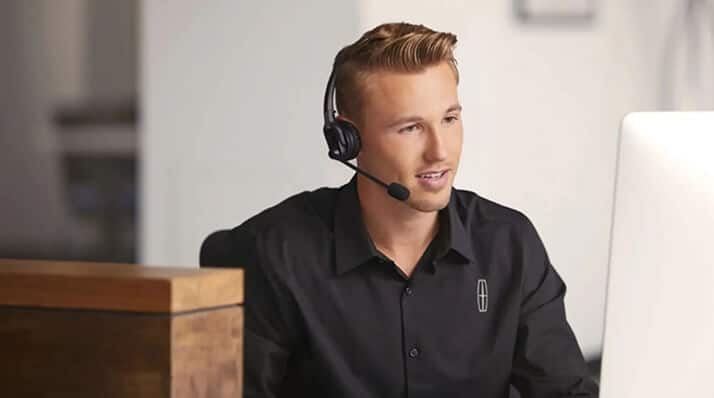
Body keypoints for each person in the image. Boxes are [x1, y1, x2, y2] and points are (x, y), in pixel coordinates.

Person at [232, 22, 598, 398]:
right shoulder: (275, 253)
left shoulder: (508, 243)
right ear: (348, 139)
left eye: (450, 119)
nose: (440, 150)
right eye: (410, 128)